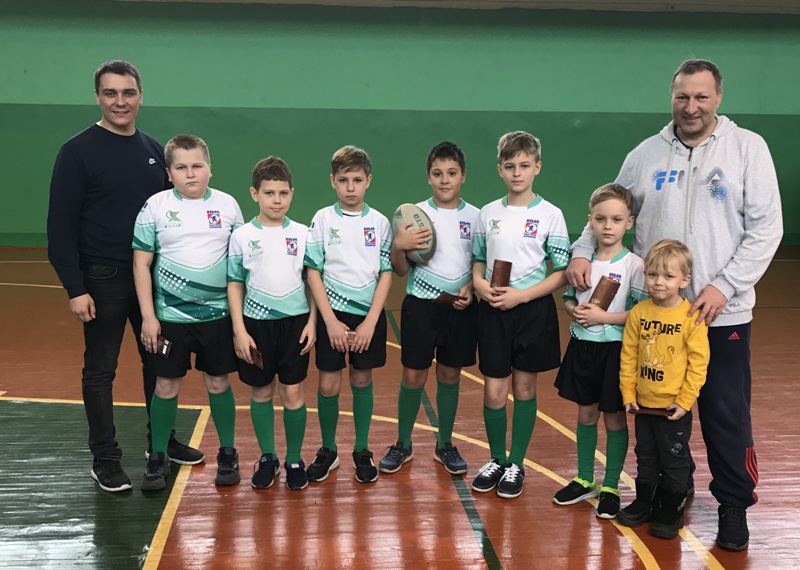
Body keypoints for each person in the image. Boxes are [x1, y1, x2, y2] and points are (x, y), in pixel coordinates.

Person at [566, 59, 783, 550]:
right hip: (655, 318)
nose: (691, 107)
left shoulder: (748, 149)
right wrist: (582, 251)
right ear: (672, 97)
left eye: (701, 97)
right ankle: (665, 492)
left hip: (720, 315)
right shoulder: (644, 155)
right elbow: (610, 209)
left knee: (725, 415)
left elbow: (767, 229)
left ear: (718, 98)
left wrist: (724, 286)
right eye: (682, 97)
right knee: (655, 414)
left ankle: (733, 504)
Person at [47, 60, 203, 493]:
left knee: (160, 363)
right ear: (98, 97)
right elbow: (60, 228)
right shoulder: (76, 151)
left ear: (140, 96)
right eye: (111, 93)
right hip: (103, 279)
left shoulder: (154, 150)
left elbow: (171, 218)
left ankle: (161, 443)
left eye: (128, 92)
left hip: (152, 282)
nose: (120, 101)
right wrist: (75, 288)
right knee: (101, 371)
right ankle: (106, 458)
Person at [132, 134, 244, 491]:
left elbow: (239, 267)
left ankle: (228, 453)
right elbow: (141, 264)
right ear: (169, 173)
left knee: (219, 382)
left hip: (218, 318)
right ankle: (158, 457)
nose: (190, 174)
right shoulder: (155, 206)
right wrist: (148, 316)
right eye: (181, 167)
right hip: (170, 319)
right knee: (165, 385)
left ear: (210, 168)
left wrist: (239, 322)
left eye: (197, 166)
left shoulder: (228, 206)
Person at [471, 131, 570, 499]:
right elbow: (478, 259)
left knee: (524, 389)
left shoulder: (550, 215)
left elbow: (561, 272)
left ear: (537, 167)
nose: (517, 173)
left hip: (531, 310)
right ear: (500, 169)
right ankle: (497, 459)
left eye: (524, 165)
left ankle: (516, 463)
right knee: (494, 391)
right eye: (510, 166)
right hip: (494, 311)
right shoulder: (487, 213)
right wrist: (479, 284)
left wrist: (522, 296)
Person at [378, 141, 479, 476]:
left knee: (450, 375)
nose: (444, 180)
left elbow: (480, 265)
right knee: (413, 376)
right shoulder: (411, 215)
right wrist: (399, 246)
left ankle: (445, 444)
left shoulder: (476, 217)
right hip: (421, 307)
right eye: (437, 174)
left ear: (463, 176)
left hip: (460, 309)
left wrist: (471, 288)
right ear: (428, 177)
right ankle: (403, 443)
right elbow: (401, 270)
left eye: (451, 173)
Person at [552, 183, 647, 519]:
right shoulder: (583, 261)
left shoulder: (634, 265)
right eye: (601, 219)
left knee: (615, 418)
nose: (608, 226)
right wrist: (573, 311)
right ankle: (585, 478)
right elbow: (568, 298)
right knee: (586, 415)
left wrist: (603, 318)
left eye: (616, 219)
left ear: (629, 222)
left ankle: (610, 486)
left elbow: (639, 314)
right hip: (583, 349)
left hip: (616, 353)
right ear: (590, 220)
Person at [303, 146, 393, 484]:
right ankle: (329, 449)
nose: (350, 187)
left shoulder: (379, 222)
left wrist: (371, 321)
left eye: (357, 180)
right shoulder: (323, 219)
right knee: (328, 383)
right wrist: (329, 322)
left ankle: (361, 448)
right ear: (333, 181)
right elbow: (313, 272)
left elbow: (386, 273)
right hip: (333, 315)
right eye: (343, 180)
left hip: (367, 316)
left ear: (368, 180)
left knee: (361, 380)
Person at [227, 156, 317, 491]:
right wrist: (239, 330)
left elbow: (313, 283)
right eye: (269, 193)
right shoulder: (242, 235)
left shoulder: (304, 234)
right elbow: (234, 283)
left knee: (293, 392)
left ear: (291, 193)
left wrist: (313, 323)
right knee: (261, 390)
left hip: (296, 325)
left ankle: (293, 459)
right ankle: (268, 457)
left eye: (283, 193)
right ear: (255, 194)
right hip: (256, 325)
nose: (276, 200)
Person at [617, 240, 709, 539]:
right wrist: (628, 394)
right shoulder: (639, 313)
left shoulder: (691, 317)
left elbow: (698, 364)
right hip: (643, 405)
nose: (659, 282)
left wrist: (685, 401)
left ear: (684, 280)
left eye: (668, 276)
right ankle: (645, 501)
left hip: (673, 409)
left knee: (673, 461)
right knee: (645, 456)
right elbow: (628, 356)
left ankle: (671, 507)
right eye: (652, 274)